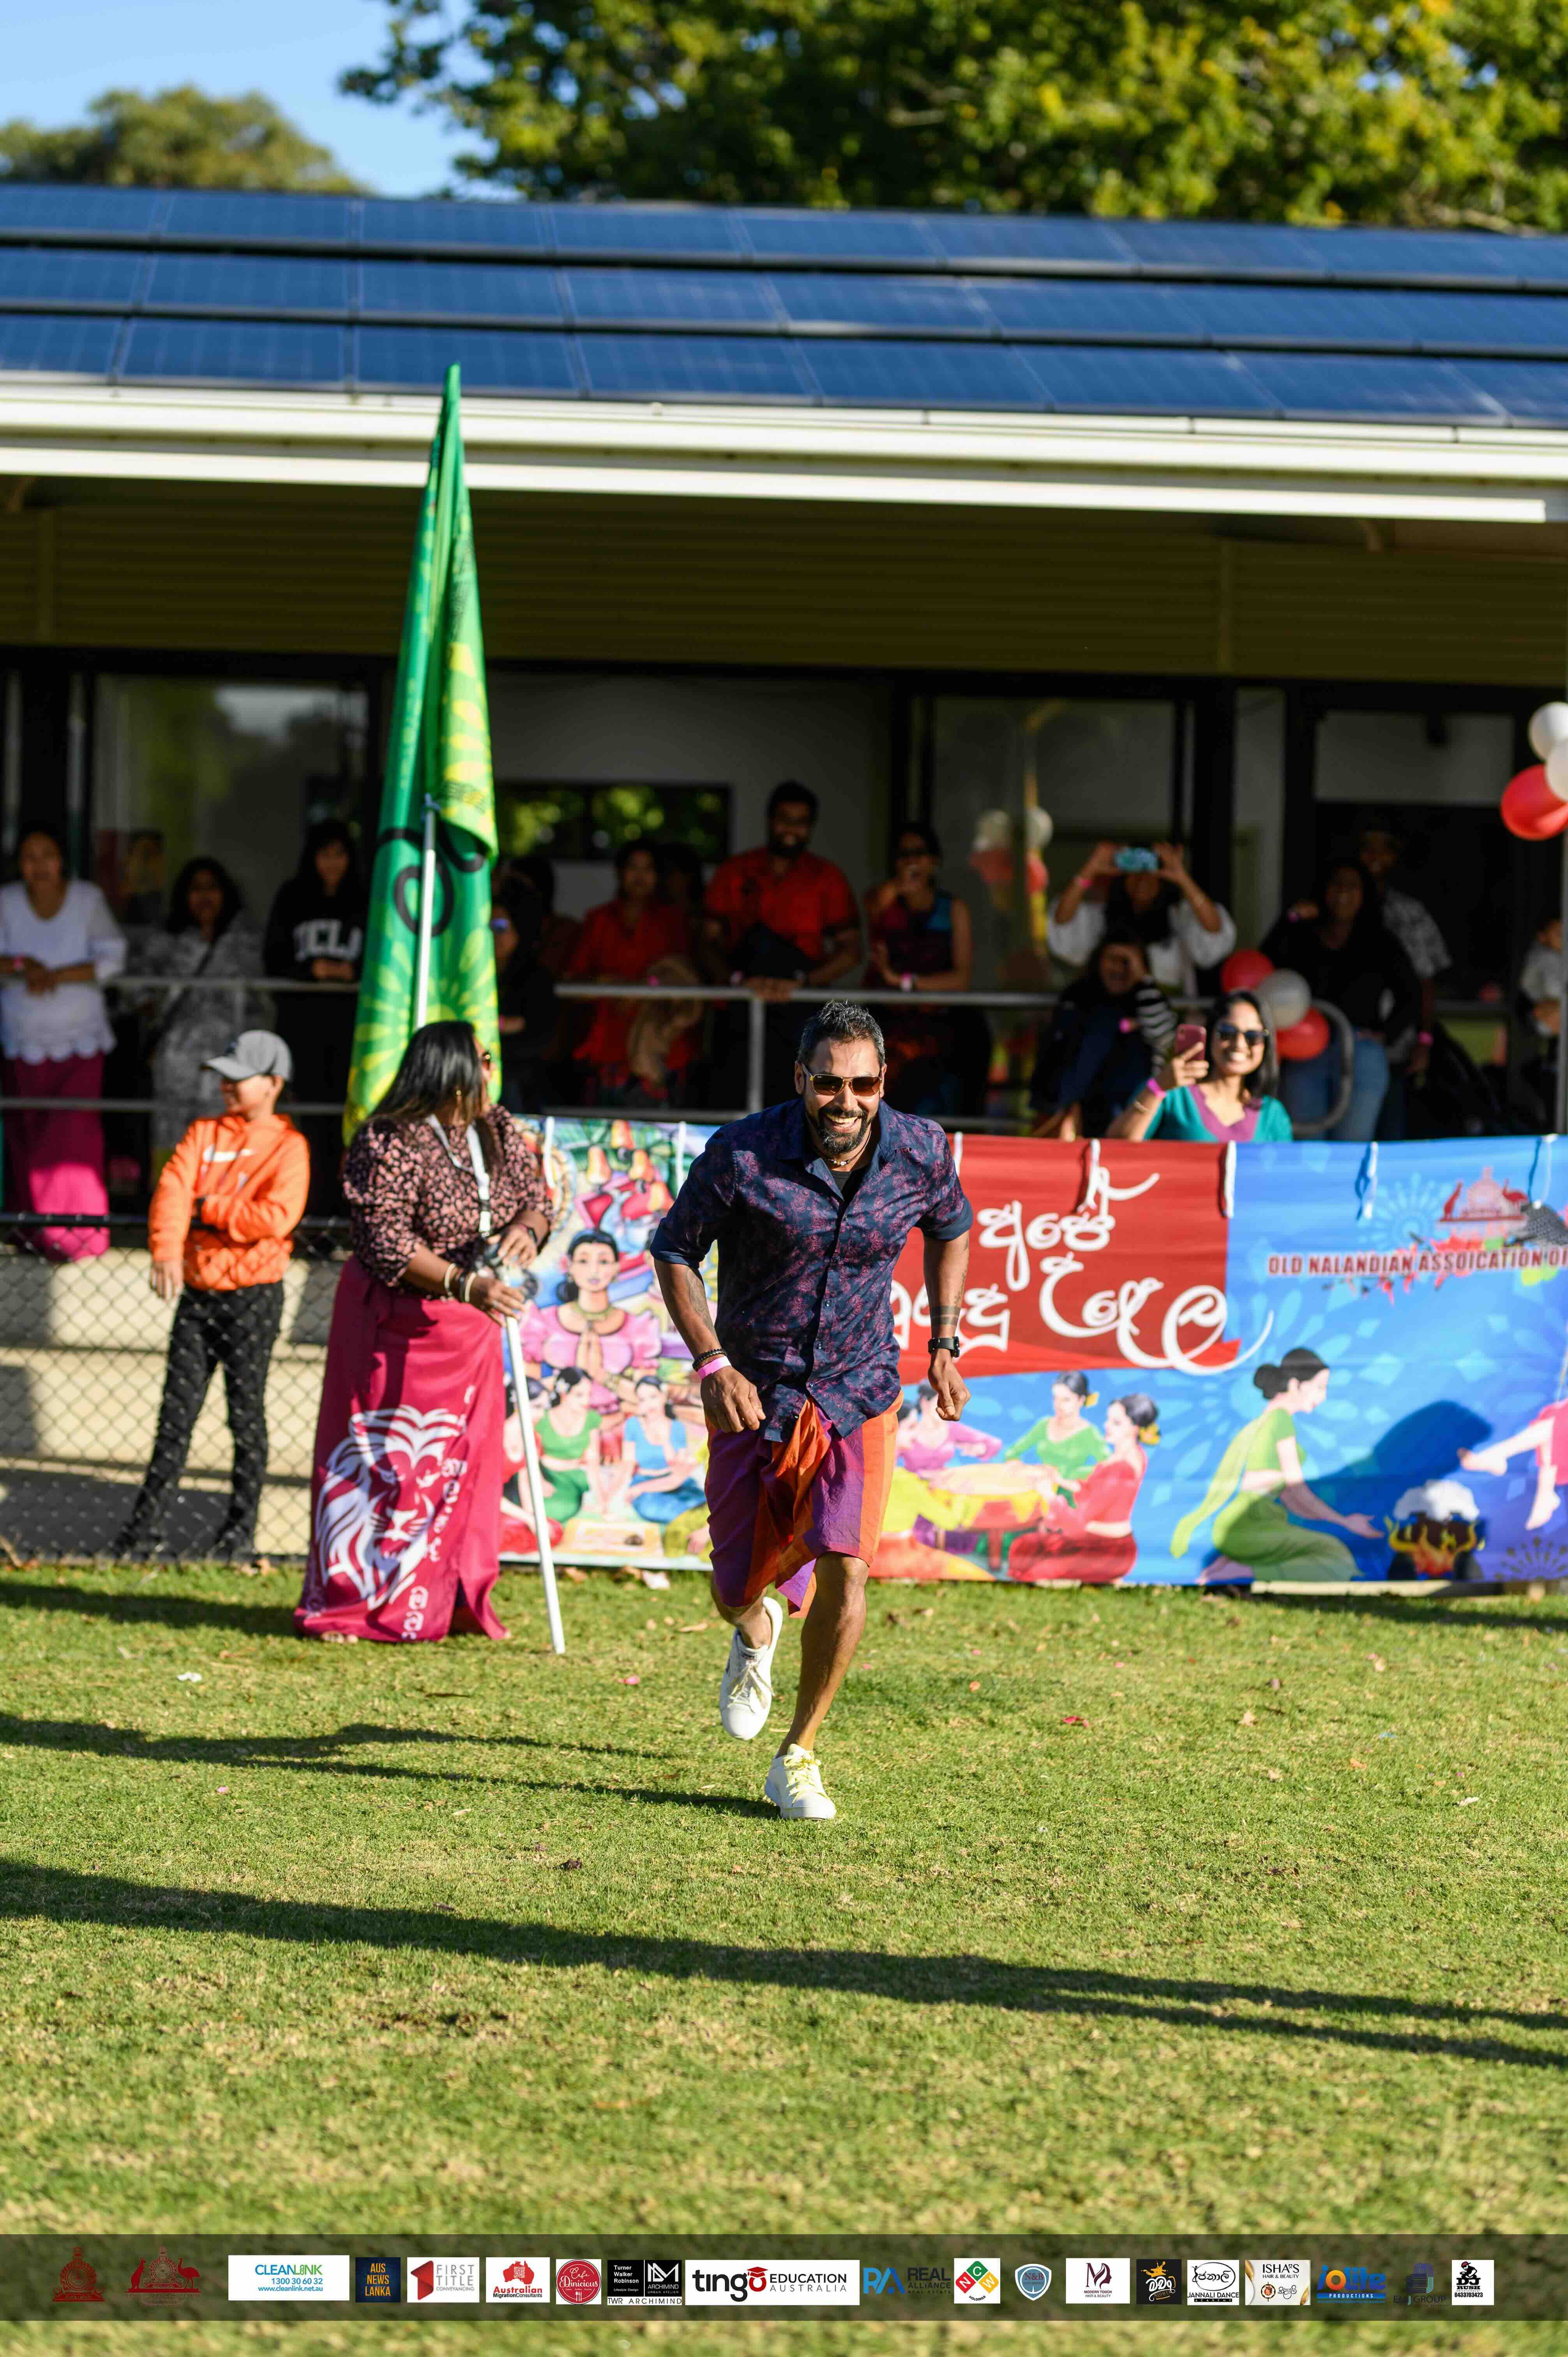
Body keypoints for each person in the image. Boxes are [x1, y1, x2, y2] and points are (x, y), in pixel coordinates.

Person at [652, 998, 973, 1822]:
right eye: (828, 1082)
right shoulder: (742, 1152)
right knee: (733, 1583)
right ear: (800, 1078)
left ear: (881, 1082)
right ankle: (754, 1628)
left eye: (862, 1083)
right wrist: (711, 1360)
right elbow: (674, 1250)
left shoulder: (920, 1150)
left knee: (849, 1564)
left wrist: (944, 1338)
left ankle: (797, 1756)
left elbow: (952, 1227)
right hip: (752, 1389)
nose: (845, 1100)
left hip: (858, 1387)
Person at [295, 1019, 553, 1643]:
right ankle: (350, 1604)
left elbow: (538, 1198)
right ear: (450, 1070)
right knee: (380, 1460)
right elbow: (385, 1240)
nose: (492, 1071)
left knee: (462, 1466)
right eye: (481, 1060)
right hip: (395, 1324)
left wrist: (528, 1228)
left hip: (469, 1330)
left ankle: (448, 1600)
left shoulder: (497, 1131)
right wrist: (470, 1286)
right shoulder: (389, 1139)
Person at [115, 1031, 308, 1563]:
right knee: (174, 1418)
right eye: (222, 1075)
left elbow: (276, 1218)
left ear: (273, 1084)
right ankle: (142, 1534)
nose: (225, 1085)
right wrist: (166, 1249)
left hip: (254, 1298)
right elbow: (173, 1191)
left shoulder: (290, 1147)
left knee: (245, 1418)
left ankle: (238, 1534)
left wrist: (211, 1210)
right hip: (198, 1295)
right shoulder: (202, 1133)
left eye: (237, 1076)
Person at [0, 821, 125, 1260]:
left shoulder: (87, 899)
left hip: (80, 1040)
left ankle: (78, 1237)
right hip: (22, 1038)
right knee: (28, 1134)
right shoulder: (7, 902)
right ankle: (31, 1232)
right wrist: (21, 963)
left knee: (72, 1135)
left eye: (47, 856)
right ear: (20, 864)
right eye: (30, 857)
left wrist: (54, 974)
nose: (39, 866)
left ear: (62, 861)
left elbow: (113, 958)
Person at [701, 783, 861, 1105]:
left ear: (811, 827)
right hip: (740, 1003)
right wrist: (737, 982)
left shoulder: (826, 878)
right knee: (732, 1098)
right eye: (784, 818)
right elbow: (705, 942)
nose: (791, 828)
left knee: (795, 1101)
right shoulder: (735, 871)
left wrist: (802, 983)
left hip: (802, 1007)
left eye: (801, 821)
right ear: (770, 820)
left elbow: (852, 951)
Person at [1171, 1348, 1380, 1583]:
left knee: (1327, 1548)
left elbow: (1292, 1498)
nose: (1323, 1397)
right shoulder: (1280, 1420)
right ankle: (1232, 1573)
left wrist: (1338, 1522)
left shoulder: (1269, 1419)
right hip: (1249, 1524)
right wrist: (1344, 1523)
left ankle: (1224, 1573)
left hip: (1252, 1522)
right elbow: (1297, 1488)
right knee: (1336, 1559)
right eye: (1320, 1387)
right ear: (1295, 1385)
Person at [1263, 860, 1421, 1143]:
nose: (1343, 892)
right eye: (1337, 884)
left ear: (1364, 895)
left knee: (1353, 1145)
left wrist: (1387, 1034)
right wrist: (1290, 919)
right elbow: (1265, 966)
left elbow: (1411, 993)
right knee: (1305, 1145)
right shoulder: (1302, 934)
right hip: (1305, 1050)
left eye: (1353, 886)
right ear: (1324, 891)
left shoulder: (1381, 941)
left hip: (1361, 1051)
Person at [263, 820, 366, 1212]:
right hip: (302, 1027)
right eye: (325, 854)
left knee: (350, 1120)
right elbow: (273, 960)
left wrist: (351, 974)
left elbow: (384, 958)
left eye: (340, 854)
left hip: (351, 1029)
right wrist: (312, 972)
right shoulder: (292, 898)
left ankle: (345, 1212)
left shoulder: (364, 899)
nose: (332, 864)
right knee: (307, 1120)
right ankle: (308, 1210)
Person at [139, 858, 268, 1162]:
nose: (205, 896)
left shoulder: (246, 943)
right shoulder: (165, 942)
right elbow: (138, 993)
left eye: (212, 888)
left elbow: (263, 1003)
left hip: (229, 1064)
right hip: (176, 1064)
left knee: (225, 1141)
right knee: (174, 1144)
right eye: (196, 889)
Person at [863, 822, 982, 1117]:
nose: (911, 861)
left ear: (935, 861)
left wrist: (906, 982)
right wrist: (899, 887)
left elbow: (961, 979)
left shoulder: (953, 909)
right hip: (889, 1024)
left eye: (919, 853)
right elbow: (872, 908)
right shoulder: (885, 900)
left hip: (941, 1027)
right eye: (904, 854)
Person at [563, 839, 695, 1103]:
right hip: (607, 1048)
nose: (640, 876)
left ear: (658, 877)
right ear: (619, 873)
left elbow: (685, 976)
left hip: (660, 1049)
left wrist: (644, 989)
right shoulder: (598, 919)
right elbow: (573, 982)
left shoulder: (675, 921)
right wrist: (609, 985)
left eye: (648, 869)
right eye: (633, 867)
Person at [1029, 929, 1177, 1138]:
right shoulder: (1077, 998)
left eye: (1126, 961)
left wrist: (1142, 979)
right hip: (1079, 1119)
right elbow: (1054, 1057)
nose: (1119, 969)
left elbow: (1163, 1034)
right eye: (1112, 959)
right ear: (1098, 961)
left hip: (1135, 1116)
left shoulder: (1149, 998)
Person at [1356, 815, 1450, 1127]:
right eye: (1367, 849)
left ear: (1395, 857)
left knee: (1392, 1130)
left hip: (1397, 1047)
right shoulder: (1339, 908)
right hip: (1343, 1045)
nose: (1375, 857)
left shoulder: (1410, 913)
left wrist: (1424, 1040)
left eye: (1384, 850)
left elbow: (1425, 981)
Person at [1008, 1392, 1160, 1584]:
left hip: (1109, 1551)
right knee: (1023, 1547)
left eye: (1117, 1423)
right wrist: (1060, 1480)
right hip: (1091, 1540)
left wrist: (1049, 1496)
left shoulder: (1121, 1469)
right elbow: (1095, 1492)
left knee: (1035, 1572)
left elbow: (1077, 1525)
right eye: (1108, 1420)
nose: (1107, 1426)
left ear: (1135, 1428)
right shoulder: (1128, 1456)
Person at [1049, 840, 1236, 995]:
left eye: (1150, 875)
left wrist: (1182, 878)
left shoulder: (1179, 917)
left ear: (1163, 882)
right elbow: (1062, 925)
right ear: (1123, 880)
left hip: (1168, 1022)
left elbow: (1215, 934)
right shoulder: (1102, 916)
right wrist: (1091, 869)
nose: (1142, 881)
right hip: (1110, 1017)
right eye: (1135, 876)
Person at [1111, 991, 1294, 1143]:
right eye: (1227, 1033)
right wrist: (1157, 1089)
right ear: (1209, 1035)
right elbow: (1119, 1148)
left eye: (1253, 1036)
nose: (1239, 1044)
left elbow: (1283, 1179)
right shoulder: (1173, 1094)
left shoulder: (1272, 1114)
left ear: (1266, 1044)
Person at [519, 1226, 663, 1412]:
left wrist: (601, 1375)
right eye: (584, 1261)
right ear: (568, 1265)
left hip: (619, 1426)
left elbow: (649, 1396)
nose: (594, 1270)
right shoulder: (542, 1321)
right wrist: (570, 1382)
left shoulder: (639, 1327)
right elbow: (527, 1388)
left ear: (616, 1268)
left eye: (603, 1261)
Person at [491, 877, 556, 1113]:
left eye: (500, 928)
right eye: (486, 927)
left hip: (520, 1089)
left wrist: (489, 1028)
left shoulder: (536, 980)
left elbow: (539, 1037)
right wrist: (504, 1026)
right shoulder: (471, 976)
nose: (493, 936)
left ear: (520, 929)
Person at [623, 1373, 707, 1526]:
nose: (649, 1405)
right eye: (643, 1400)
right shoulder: (633, 1425)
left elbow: (678, 1474)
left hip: (675, 1482)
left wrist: (665, 1442)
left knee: (705, 1503)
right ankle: (691, 1519)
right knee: (651, 1508)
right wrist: (609, 1498)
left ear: (663, 1397)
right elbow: (627, 1465)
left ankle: (693, 1518)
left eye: (653, 1397)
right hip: (644, 1482)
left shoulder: (677, 1428)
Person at [999, 1371, 1109, 1482]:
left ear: (1081, 1401)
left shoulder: (1090, 1433)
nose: (1058, 1405)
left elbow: (1109, 1467)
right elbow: (1012, 1452)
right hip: (1041, 1488)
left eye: (1066, 1400)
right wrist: (1021, 1467)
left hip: (1073, 1493)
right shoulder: (1044, 1425)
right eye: (1056, 1398)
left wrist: (1070, 1474)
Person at [533, 1364, 606, 1527]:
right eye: (579, 1395)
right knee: (543, 1510)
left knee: (564, 1510)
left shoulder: (591, 1419)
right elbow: (529, 1458)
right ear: (563, 1393)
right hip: (545, 1476)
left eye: (589, 1395)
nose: (586, 1401)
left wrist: (601, 1502)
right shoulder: (542, 1419)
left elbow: (593, 1464)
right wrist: (541, 1481)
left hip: (575, 1476)